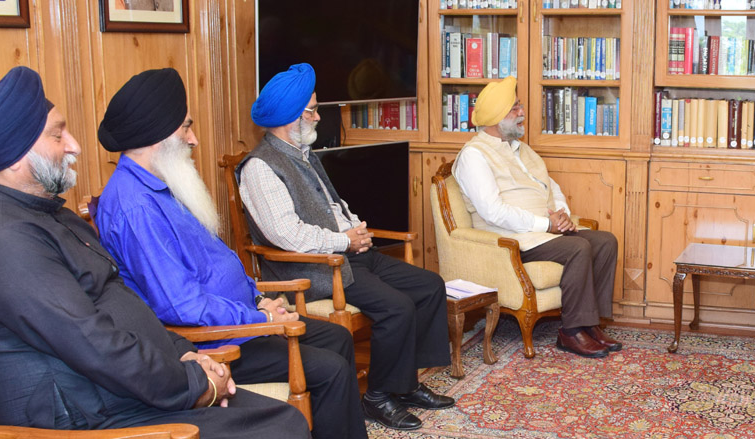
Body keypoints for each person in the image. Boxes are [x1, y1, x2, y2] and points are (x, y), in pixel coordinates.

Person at [0, 66, 308, 438]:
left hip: (124, 393)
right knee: (282, 426)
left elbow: (125, 301)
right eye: (57, 135)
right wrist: (192, 383)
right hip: (90, 422)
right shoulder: (1, 242)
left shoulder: (49, 217)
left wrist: (184, 353)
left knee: (277, 417)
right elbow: (90, 342)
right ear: (15, 155)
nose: (74, 145)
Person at [93, 68, 367, 439]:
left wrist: (260, 298)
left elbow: (214, 265)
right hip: (216, 338)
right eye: (186, 128)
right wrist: (254, 314)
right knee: (330, 367)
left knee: (336, 339)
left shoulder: (161, 185)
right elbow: (180, 305)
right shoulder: (133, 206)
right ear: (157, 135)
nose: (194, 139)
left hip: (241, 320)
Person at [240, 63, 452, 431]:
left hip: (349, 254)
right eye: (313, 110)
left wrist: (356, 228)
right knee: (397, 307)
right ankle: (379, 396)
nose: (319, 116)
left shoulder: (303, 153)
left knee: (430, 286)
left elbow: (333, 206)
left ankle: (406, 384)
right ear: (292, 117)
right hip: (316, 267)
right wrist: (344, 240)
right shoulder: (260, 167)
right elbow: (287, 234)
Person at [452, 77, 620, 359]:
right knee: (578, 247)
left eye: (519, 106)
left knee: (605, 241)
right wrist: (546, 224)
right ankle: (571, 331)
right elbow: (493, 211)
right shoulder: (474, 156)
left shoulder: (521, 149)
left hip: (544, 231)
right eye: (514, 108)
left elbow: (549, 186)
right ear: (494, 118)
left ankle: (592, 324)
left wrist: (561, 214)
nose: (522, 112)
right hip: (512, 240)